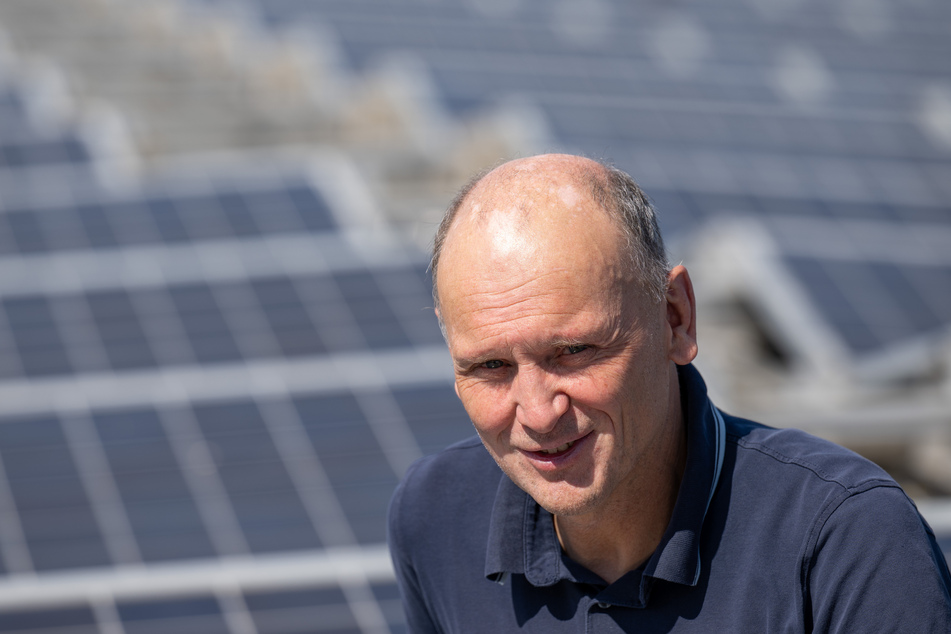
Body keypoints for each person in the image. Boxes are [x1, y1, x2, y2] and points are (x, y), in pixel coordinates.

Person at [387, 154, 951, 632]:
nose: (537, 412)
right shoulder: (433, 519)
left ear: (676, 319)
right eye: (489, 365)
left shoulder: (847, 541)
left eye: (575, 351)